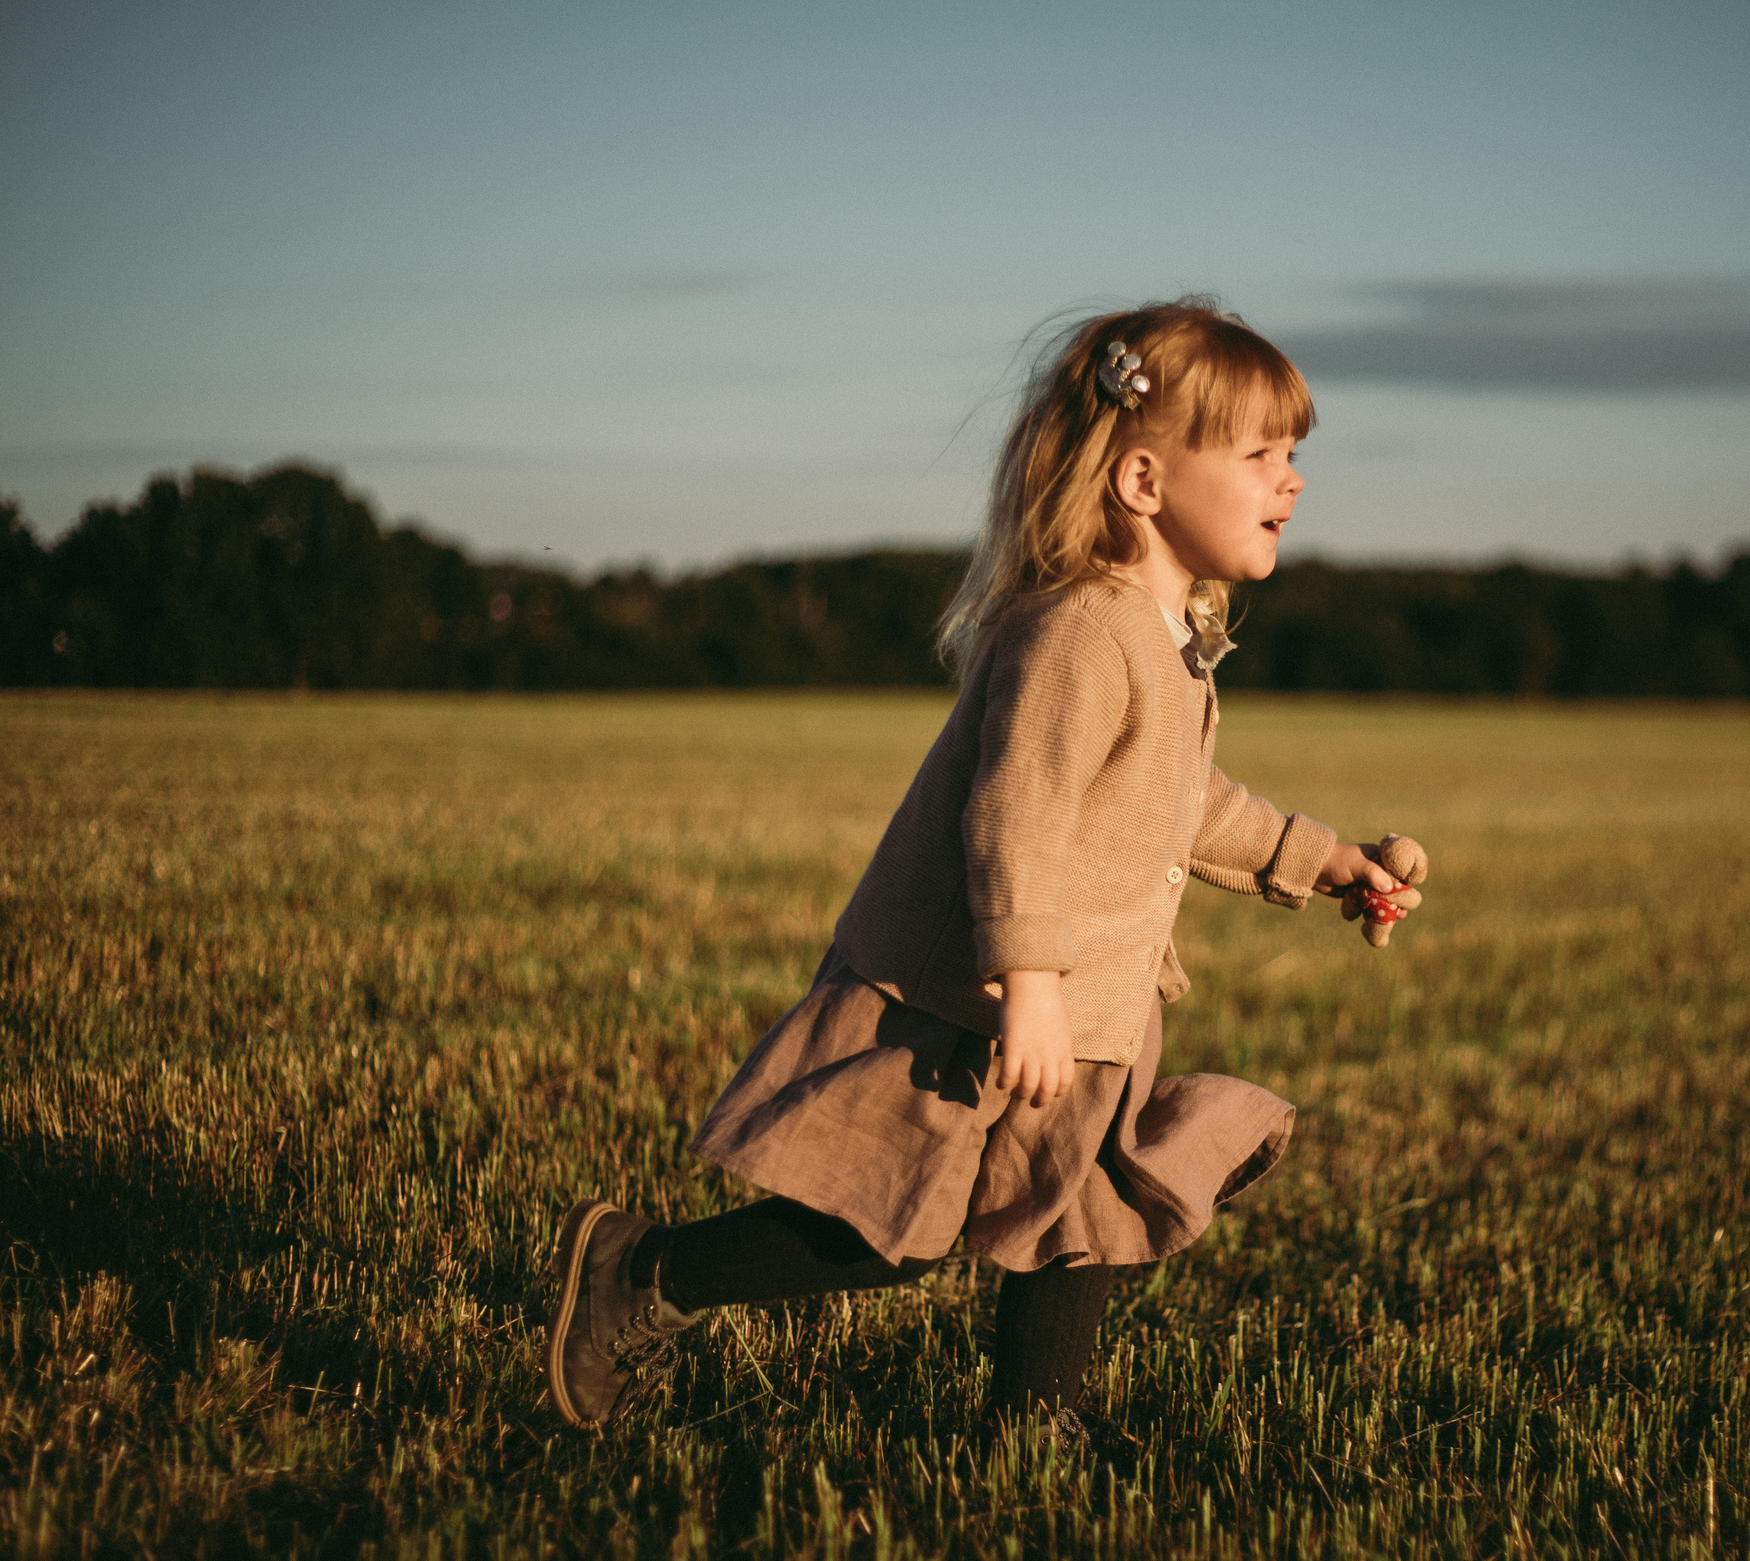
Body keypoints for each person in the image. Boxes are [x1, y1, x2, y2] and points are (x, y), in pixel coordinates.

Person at [544, 297, 1423, 1434]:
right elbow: (1016, 817)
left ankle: (1032, 1432)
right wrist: (1033, 985)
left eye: (1293, 454)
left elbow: (1184, 806)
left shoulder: (1163, 644)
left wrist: (1326, 862)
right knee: (892, 1227)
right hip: (977, 1005)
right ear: (1143, 482)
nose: (1290, 480)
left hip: (1088, 1008)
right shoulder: (1078, 631)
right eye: (1259, 453)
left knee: (1078, 1216)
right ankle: (645, 1275)